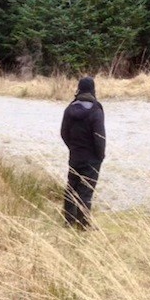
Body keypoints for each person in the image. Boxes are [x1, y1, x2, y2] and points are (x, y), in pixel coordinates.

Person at [60, 76, 106, 230]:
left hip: (75, 156)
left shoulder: (69, 109)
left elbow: (63, 133)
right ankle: (83, 225)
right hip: (91, 159)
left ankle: (69, 221)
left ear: (78, 89)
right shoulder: (95, 110)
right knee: (85, 192)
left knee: (71, 188)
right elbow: (100, 137)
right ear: (93, 90)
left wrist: (73, 148)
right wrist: (100, 156)